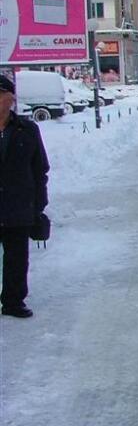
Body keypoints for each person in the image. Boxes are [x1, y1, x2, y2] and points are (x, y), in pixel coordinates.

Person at [0, 75, 49, 319]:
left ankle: (13, 302)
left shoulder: (26, 130)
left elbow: (40, 169)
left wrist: (38, 204)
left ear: (11, 98)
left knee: (16, 258)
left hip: (17, 205)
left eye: (0, 94)